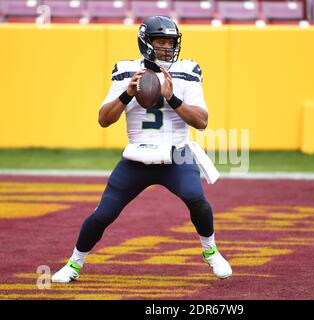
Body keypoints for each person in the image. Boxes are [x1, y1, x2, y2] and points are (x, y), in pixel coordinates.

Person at [52, 16, 232, 283]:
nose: (168, 48)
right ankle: (74, 264)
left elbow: (202, 122)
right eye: (161, 41)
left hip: (175, 155)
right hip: (137, 156)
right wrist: (127, 93)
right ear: (146, 43)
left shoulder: (188, 70)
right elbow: (104, 119)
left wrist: (172, 98)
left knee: (197, 199)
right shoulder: (125, 71)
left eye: (171, 42)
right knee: (103, 214)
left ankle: (211, 250)